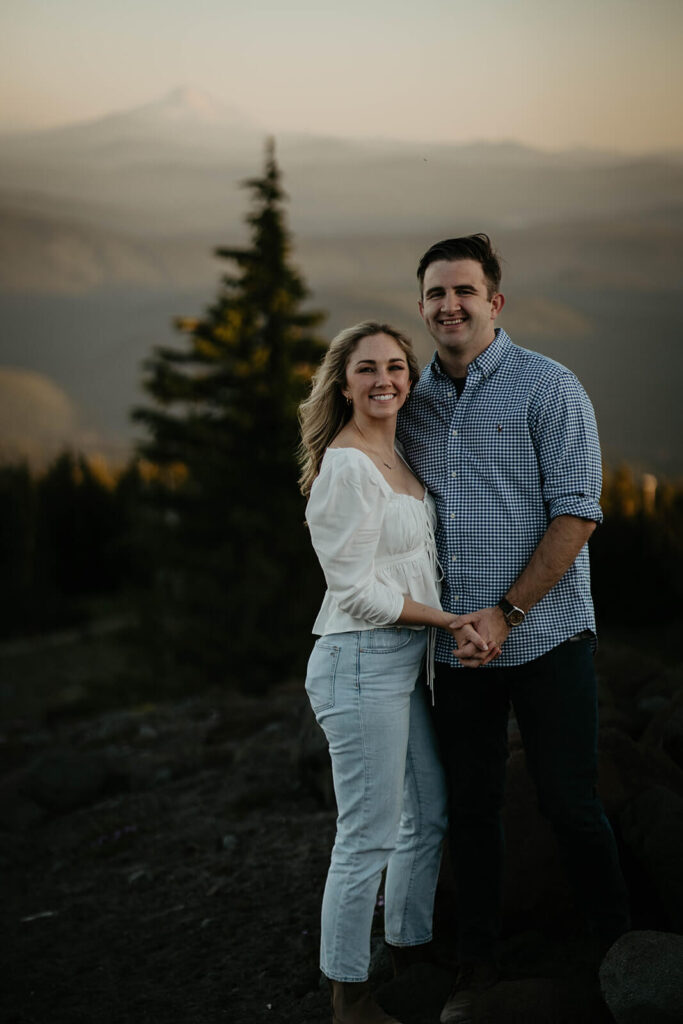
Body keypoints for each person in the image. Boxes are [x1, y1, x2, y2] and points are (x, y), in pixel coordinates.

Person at [397, 235, 631, 1024]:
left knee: (568, 799)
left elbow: (577, 514)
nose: (448, 306)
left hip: (547, 636)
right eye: (434, 293)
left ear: (494, 302)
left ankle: (618, 948)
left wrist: (508, 612)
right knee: (471, 806)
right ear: (422, 305)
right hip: (454, 646)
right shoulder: (413, 403)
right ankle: (478, 961)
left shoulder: (547, 388)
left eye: (463, 291)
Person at [298, 321, 493, 1024]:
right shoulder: (346, 466)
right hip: (358, 661)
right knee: (367, 833)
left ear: (409, 379)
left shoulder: (398, 454)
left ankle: (408, 947)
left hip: (403, 663)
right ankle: (347, 998)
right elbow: (351, 589)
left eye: (394, 367)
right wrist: (446, 622)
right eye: (366, 369)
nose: (383, 379)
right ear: (342, 382)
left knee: (427, 810)